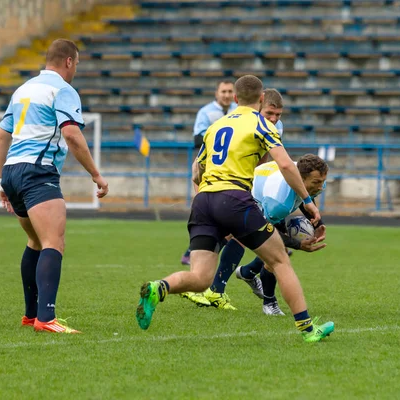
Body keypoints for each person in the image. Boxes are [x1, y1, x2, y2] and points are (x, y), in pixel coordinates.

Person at [136, 75, 334, 342]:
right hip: (234, 198)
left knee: (200, 277)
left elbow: (197, 171)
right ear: (261, 99)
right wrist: (308, 202)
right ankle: (309, 331)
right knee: (279, 260)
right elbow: (287, 165)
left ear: (236, 99)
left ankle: (158, 287)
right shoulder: (261, 124)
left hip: (204, 201)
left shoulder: (215, 125)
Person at [0, 39, 109, 333]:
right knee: (53, 242)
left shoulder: (23, 89)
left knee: (35, 241)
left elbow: (1, 136)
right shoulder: (63, 90)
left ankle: (31, 315)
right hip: (38, 172)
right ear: (69, 62)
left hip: (12, 172)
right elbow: (71, 134)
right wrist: (96, 174)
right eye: (77, 64)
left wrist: (1, 181)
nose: (76, 70)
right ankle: (46, 318)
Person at [183, 154, 328, 315]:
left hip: (266, 183)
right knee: (262, 245)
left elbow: (305, 197)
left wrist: (317, 222)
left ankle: (240, 277)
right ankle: (266, 301)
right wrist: (298, 244)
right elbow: (267, 231)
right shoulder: (279, 203)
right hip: (251, 192)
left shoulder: (315, 179)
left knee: (261, 247)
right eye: (316, 183)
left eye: (322, 181)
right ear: (300, 179)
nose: (321, 187)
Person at [181, 88, 285, 266]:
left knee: (240, 234)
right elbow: (197, 168)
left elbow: (263, 161)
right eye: (269, 113)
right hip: (227, 188)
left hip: (236, 187)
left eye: (277, 115)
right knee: (239, 235)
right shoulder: (239, 122)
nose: (273, 119)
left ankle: (210, 272)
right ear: (258, 106)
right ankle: (214, 276)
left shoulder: (270, 125)